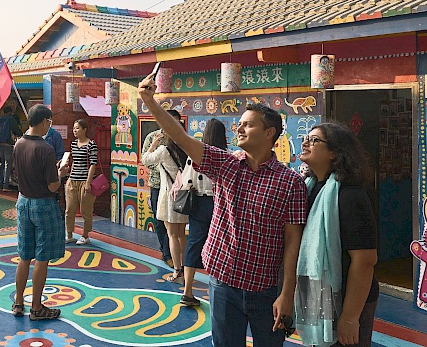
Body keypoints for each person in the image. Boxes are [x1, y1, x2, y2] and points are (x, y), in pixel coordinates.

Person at [138, 74, 308, 347]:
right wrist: (150, 101)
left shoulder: (290, 183)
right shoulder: (226, 164)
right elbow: (180, 137)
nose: (239, 129)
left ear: (269, 133)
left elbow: (292, 242)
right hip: (223, 282)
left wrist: (287, 293)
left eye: (248, 125)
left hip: (265, 289)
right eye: (238, 124)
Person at [295, 123, 378, 347]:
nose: (306, 143)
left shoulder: (351, 196)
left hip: (348, 298)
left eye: (315, 140)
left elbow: (365, 260)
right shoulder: (309, 188)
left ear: (334, 152)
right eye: (306, 138)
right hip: (319, 294)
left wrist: (350, 318)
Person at [11, 104, 69, 320]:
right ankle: (36, 308)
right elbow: (53, 186)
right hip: (43, 205)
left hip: (23, 202)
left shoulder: (19, 144)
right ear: (44, 121)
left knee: (24, 256)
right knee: (41, 258)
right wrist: (60, 173)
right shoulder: (46, 149)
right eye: (50, 122)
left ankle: (18, 302)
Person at [180, 118, 227, 306]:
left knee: (194, 243)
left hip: (197, 203)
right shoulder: (225, 156)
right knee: (220, 244)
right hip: (219, 204)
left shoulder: (195, 156)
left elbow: (185, 180)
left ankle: (187, 291)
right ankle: (218, 289)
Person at [142, 122, 189, 284]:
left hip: (169, 196)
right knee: (182, 235)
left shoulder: (163, 150)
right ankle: (185, 268)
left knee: (172, 234)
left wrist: (153, 144)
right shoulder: (186, 149)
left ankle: (177, 272)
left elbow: (146, 160)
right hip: (184, 196)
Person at [141, 111, 178, 269]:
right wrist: (160, 163)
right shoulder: (152, 137)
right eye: (171, 121)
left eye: (177, 122)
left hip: (177, 185)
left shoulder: (181, 137)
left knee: (175, 221)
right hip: (157, 183)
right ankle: (166, 253)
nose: (175, 125)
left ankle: (176, 253)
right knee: (160, 218)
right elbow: (145, 160)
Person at [64, 119, 98, 246]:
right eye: (74, 128)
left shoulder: (91, 145)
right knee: (69, 209)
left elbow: (93, 164)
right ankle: (69, 234)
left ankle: (85, 235)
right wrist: (69, 177)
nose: (75, 131)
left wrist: (88, 182)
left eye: (77, 128)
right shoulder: (73, 144)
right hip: (72, 180)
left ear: (84, 130)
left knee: (86, 210)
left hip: (85, 181)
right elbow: (74, 162)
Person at [0, 106, 22, 192]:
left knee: (1, 164)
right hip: (8, 144)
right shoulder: (11, 119)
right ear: (10, 112)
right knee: (8, 164)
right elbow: (17, 131)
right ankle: (5, 186)